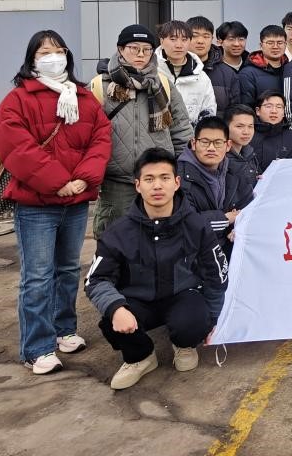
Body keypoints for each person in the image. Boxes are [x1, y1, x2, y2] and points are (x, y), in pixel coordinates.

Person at [0, 30, 112, 375]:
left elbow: (101, 139)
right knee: (37, 277)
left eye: (59, 50)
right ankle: (37, 347)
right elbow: (16, 146)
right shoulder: (18, 99)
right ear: (32, 58)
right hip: (36, 205)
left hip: (75, 201)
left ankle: (64, 330)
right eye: (45, 52)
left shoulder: (83, 97)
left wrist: (83, 178)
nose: (54, 57)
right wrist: (57, 182)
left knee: (68, 270)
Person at [84, 148, 227, 391]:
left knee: (194, 320)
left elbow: (216, 275)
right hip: (138, 301)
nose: (157, 186)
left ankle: (184, 345)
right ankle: (141, 357)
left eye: (164, 178)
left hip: (183, 296)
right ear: (138, 185)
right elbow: (96, 280)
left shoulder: (197, 226)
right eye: (149, 179)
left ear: (177, 183)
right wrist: (116, 308)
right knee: (111, 320)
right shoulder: (118, 232)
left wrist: (214, 321)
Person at [91, 25, 193, 237]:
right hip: (116, 183)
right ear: (120, 49)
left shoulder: (162, 83)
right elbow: (87, 135)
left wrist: (180, 170)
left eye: (146, 49)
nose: (140, 54)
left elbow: (181, 131)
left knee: (160, 240)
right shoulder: (100, 85)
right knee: (116, 240)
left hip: (157, 179)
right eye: (134, 48)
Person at [176, 116, 254, 256]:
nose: (211, 148)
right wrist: (225, 219)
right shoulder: (179, 178)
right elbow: (187, 223)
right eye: (205, 142)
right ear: (193, 143)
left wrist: (238, 227)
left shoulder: (233, 172)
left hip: (225, 249)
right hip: (191, 254)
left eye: (218, 143)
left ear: (228, 145)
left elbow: (248, 208)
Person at [156, 20, 216, 124]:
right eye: (173, 39)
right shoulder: (150, 72)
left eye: (184, 39)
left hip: (190, 133)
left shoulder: (201, 77)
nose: (179, 45)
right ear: (161, 41)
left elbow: (209, 111)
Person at [194, 18, 240, 120]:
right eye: (195, 36)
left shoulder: (228, 74)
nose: (200, 41)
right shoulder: (175, 69)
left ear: (212, 39)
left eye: (206, 36)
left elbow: (235, 113)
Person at [238, 25, 288, 107]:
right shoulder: (248, 74)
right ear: (261, 45)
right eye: (270, 43)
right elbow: (246, 107)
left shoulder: (291, 69)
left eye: (280, 43)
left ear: (285, 44)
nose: (275, 47)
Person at [249, 92, 292, 169]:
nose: (274, 111)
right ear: (258, 111)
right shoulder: (247, 135)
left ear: (283, 112)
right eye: (268, 106)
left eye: (279, 107)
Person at [225, 104, 261, 187]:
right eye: (239, 126)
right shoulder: (220, 159)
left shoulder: (250, 153)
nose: (246, 132)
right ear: (226, 127)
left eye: (250, 127)